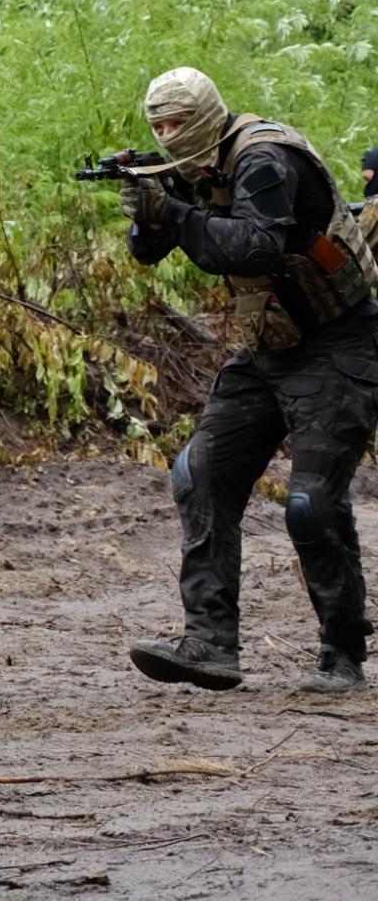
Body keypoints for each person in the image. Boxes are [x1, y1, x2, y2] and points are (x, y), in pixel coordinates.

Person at [119, 67, 374, 694]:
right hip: (268, 346)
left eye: (177, 123)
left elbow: (254, 248)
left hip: (340, 341)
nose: (167, 135)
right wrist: (149, 213)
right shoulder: (193, 167)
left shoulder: (263, 158)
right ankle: (209, 643)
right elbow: (148, 253)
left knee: (311, 506)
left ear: (206, 115)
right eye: (158, 126)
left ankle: (343, 655)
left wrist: (176, 213)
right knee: (201, 473)